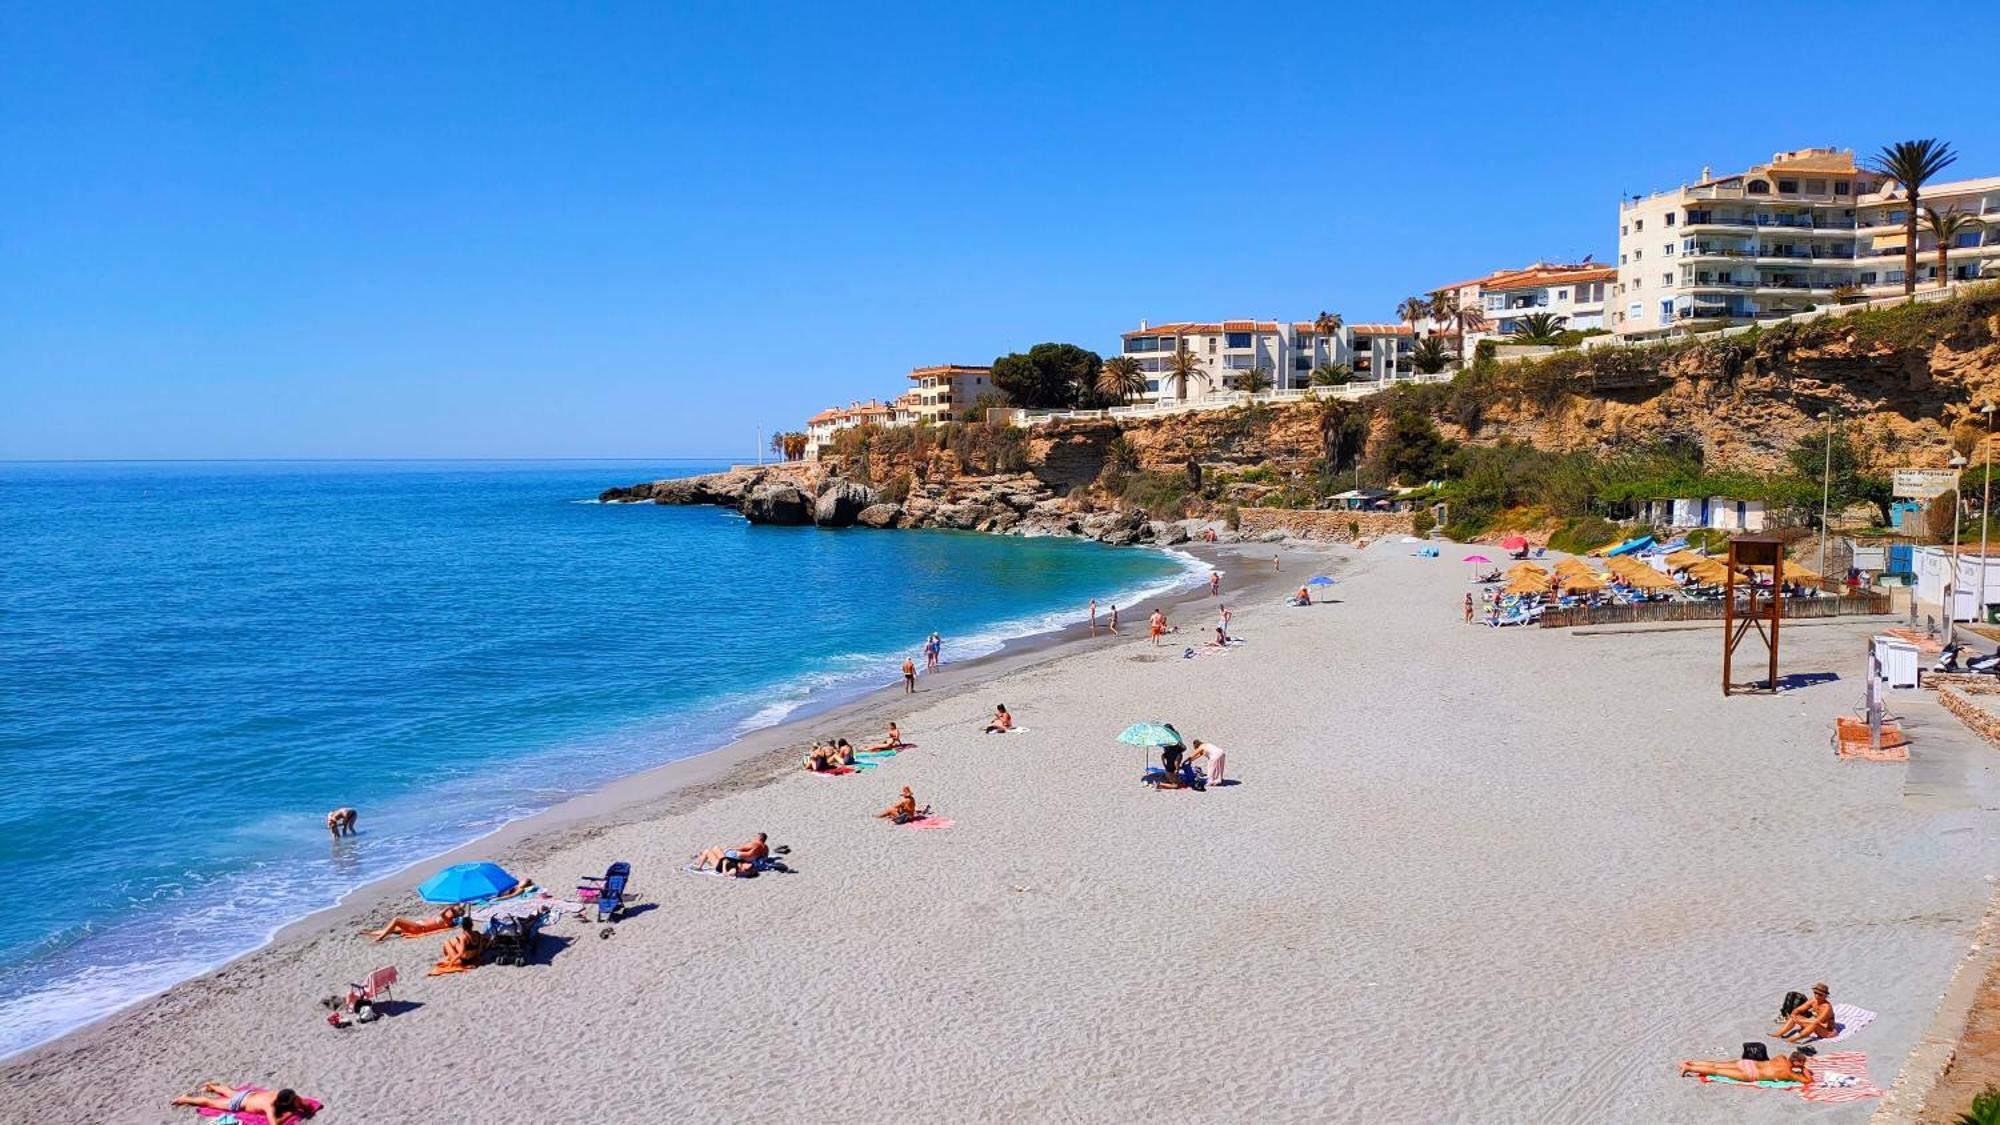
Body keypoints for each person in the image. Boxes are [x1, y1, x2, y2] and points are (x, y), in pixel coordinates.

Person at [172, 1084, 315, 1120]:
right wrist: (291, 1113)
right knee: (210, 1102)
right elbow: (274, 1124)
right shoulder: (269, 1105)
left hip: (248, 1095)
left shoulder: (285, 1094)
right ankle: (184, 1098)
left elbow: (303, 1104)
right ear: (284, 1103)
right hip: (239, 1103)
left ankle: (212, 1086)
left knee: (230, 1092)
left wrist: (302, 1105)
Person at [1679, 1051, 1813, 1085]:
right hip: (1751, 1074)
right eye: (1803, 1063)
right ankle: (1689, 1069)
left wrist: (1799, 1067)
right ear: (1797, 1062)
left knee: (1717, 1064)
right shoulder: (1788, 1073)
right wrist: (1803, 1070)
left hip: (1748, 1063)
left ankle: (1690, 1063)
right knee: (1717, 1071)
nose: (1803, 1065)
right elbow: (1808, 1081)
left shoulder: (1781, 1057)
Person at [361, 903, 464, 942]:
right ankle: (370, 933)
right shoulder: (448, 917)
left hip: (419, 928)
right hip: (418, 925)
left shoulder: (449, 921)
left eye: (454, 909)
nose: (452, 909)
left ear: (455, 913)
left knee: (396, 920)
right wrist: (453, 906)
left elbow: (441, 913)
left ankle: (379, 938)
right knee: (392, 929)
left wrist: (449, 907)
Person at [695, 832, 770, 876]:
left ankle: (702, 861)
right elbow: (765, 857)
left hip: (737, 857)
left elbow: (741, 848)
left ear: (759, 838)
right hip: (747, 859)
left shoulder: (755, 844)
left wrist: (731, 848)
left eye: (756, 837)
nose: (755, 838)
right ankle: (705, 857)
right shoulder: (766, 848)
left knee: (720, 851)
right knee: (716, 851)